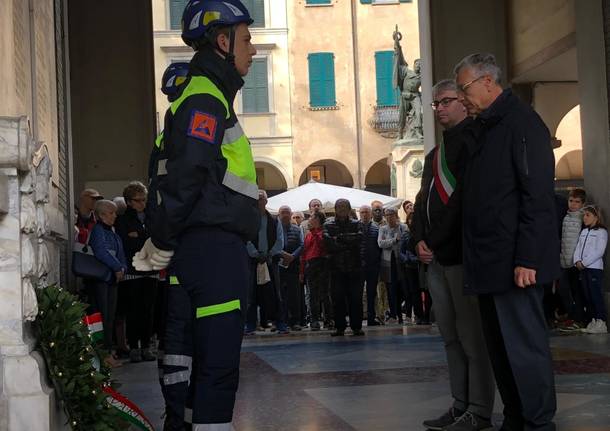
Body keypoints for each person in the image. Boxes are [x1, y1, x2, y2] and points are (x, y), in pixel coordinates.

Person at [133, 1, 260, 429]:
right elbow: (187, 175)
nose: (253, 50)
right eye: (246, 39)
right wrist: (163, 240)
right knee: (217, 364)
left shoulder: (204, 96)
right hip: (213, 251)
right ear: (222, 41)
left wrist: (166, 239)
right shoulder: (206, 98)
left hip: (200, 248)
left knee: (187, 356)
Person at [456, 53, 559, 430]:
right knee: (501, 351)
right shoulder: (485, 127)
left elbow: (537, 196)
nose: (461, 96)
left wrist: (528, 258)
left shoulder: (522, 124)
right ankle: (516, 417)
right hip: (490, 261)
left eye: (464, 88)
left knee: (524, 349)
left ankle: (537, 422)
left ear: (487, 81)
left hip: (517, 263)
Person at [411, 79, 495, 431]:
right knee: (450, 338)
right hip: (435, 260)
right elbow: (421, 201)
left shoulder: (475, 143)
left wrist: (435, 239)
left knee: (472, 339)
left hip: (461, 256)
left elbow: (462, 201)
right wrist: (417, 239)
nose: (440, 109)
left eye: (446, 101)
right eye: (435, 104)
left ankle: (479, 410)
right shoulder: (434, 154)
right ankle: (459, 404)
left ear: (462, 102)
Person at [115, 181, 158, 363]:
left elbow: (156, 240)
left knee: (148, 311)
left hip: (151, 270)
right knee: (133, 311)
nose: (142, 203)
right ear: (129, 202)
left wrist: (139, 238)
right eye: (138, 200)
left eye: (144, 199)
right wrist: (142, 240)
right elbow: (126, 244)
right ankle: (133, 347)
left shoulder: (151, 217)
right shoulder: (123, 220)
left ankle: (146, 346)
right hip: (133, 272)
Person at [88, 200, 127, 369]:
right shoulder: (98, 230)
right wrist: (118, 267)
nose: (115, 215)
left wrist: (123, 268)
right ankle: (103, 354)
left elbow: (121, 253)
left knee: (110, 317)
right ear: (102, 215)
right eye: (111, 213)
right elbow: (101, 251)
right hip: (100, 280)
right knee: (102, 316)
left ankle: (108, 352)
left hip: (112, 279)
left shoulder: (112, 232)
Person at [245, 190, 285, 334]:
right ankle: (250, 324)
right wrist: (255, 254)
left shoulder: (274, 219)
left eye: (261, 198)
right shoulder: (248, 219)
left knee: (275, 293)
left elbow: (280, 240)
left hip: (270, 261)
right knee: (251, 294)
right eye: (256, 198)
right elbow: (246, 239)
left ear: (266, 201)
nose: (258, 200)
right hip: (253, 262)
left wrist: (269, 254)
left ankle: (279, 323)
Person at [324, 199, 364, 336]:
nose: (342, 209)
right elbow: (329, 244)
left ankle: (356, 327)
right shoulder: (328, 225)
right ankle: (339, 327)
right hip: (336, 268)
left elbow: (359, 238)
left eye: (344, 207)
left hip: (354, 267)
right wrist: (348, 243)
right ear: (335, 209)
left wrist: (339, 238)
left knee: (356, 299)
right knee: (337, 299)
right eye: (339, 207)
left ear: (349, 209)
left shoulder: (356, 224)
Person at [573, 205, 608, 334]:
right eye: (584, 215)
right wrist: (576, 261)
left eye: (588, 215)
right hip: (583, 269)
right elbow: (578, 248)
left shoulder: (601, 232)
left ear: (596, 217)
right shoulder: (584, 231)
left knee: (595, 295)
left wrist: (584, 263)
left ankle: (601, 322)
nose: (584, 218)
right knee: (587, 295)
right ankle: (593, 321)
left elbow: (599, 251)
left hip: (594, 269)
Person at [557, 189, 587, 331]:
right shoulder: (565, 217)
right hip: (563, 261)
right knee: (563, 289)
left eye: (577, 202)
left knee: (577, 291)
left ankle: (578, 319)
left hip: (576, 262)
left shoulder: (583, 218)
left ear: (582, 203)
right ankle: (570, 315)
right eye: (571, 201)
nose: (573, 204)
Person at [378, 208, 408, 324]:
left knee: (403, 289)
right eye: (387, 215)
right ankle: (393, 315)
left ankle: (401, 313)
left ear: (396, 215)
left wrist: (388, 241)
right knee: (390, 289)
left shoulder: (403, 227)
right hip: (387, 262)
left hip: (400, 261)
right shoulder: (383, 229)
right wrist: (394, 240)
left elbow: (404, 241)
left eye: (391, 215)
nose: (389, 217)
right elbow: (380, 243)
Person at [301, 211, 330, 330]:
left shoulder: (324, 232)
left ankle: (328, 319)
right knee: (312, 294)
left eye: (312, 217)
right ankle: (314, 320)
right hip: (311, 264)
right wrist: (302, 271)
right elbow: (304, 253)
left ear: (317, 219)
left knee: (325, 293)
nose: (309, 219)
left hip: (322, 262)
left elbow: (322, 246)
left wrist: (314, 231)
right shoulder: (308, 235)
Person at [278, 205, 305, 330]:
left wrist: (292, 256)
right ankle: (281, 321)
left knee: (295, 295)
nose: (285, 215)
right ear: (279, 214)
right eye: (283, 212)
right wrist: (283, 255)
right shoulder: (275, 229)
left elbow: (301, 245)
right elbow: (273, 243)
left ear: (291, 214)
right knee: (279, 295)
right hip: (278, 264)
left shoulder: (297, 229)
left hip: (293, 265)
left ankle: (295, 321)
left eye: (287, 212)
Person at [359, 205, 382, 326]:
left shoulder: (376, 227)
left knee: (372, 292)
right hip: (359, 265)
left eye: (367, 212)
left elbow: (379, 246)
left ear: (371, 214)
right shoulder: (356, 226)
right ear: (359, 214)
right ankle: (358, 317)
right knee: (358, 292)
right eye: (362, 212)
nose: (364, 214)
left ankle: (371, 318)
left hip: (373, 265)